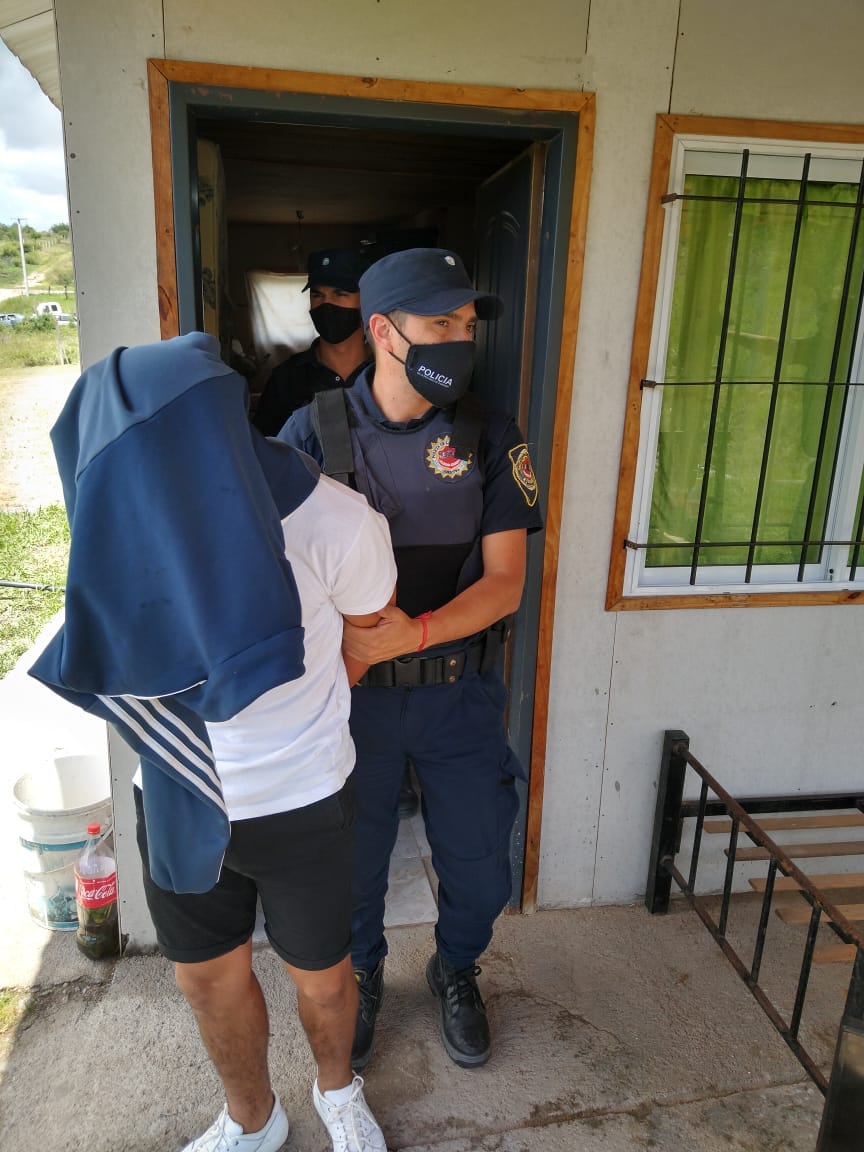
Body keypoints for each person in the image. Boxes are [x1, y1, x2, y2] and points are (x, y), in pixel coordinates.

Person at [29, 332, 396, 1152]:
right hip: (175, 786)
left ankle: (339, 1093)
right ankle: (252, 1119)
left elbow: (368, 635)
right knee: (204, 978)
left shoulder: (334, 521)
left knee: (326, 979)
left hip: (302, 796)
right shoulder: (127, 520)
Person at [278, 248, 543, 1071]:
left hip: (457, 693)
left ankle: (455, 965)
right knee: (350, 866)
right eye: (442, 324)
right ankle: (362, 970)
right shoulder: (310, 433)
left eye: (467, 325)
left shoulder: (491, 434)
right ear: (385, 330)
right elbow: (273, 570)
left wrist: (412, 635)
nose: (461, 340)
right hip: (349, 702)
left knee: (479, 860)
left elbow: (505, 585)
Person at [252, 248, 371, 436]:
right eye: (317, 295)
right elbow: (267, 451)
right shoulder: (286, 379)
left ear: (365, 300)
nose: (326, 304)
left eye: (339, 294)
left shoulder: (387, 372)